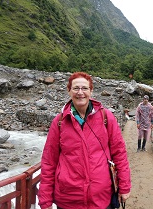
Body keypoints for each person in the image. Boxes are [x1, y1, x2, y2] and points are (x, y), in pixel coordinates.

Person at [38, 72, 131, 209]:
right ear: (69, 91)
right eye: (76, 88)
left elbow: (119, 152)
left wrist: (124, 186)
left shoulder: (106, 117)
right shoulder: (59, 122)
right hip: (68, 199)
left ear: (91, 91)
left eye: (84, 88)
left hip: (101, 198)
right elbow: (49, 161)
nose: (80, 92)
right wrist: (45, 198)